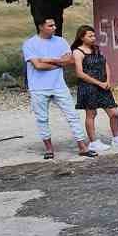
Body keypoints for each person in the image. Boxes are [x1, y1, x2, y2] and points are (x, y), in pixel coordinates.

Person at [22, 18, 93, 160]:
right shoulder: (30, 44)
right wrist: (60, 62)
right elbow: (38, 66)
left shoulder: (60, 41)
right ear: (41, 26)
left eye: (55, 25)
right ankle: (49, 149)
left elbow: (71, 61)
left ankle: (82, 146)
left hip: (59, 85)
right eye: (50, 25)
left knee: (72, 115)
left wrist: (48, 59)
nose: (54, 27)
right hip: (38, 87)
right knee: (42, 118)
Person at [70, 24, 118, 149]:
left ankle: (116, 138)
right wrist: (98, 83)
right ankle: (93, 142)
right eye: (90, 36)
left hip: (103, 86)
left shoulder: (97, 49)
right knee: (91, 114)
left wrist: (108, 81)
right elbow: (80, 73)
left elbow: (106, 65)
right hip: (88, 87)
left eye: (94, 35)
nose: (93, 38)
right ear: (82, 37)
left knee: (114, 113)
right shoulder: (78, 52)